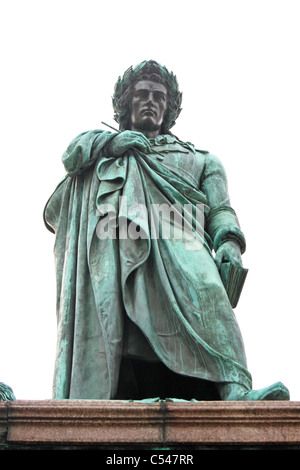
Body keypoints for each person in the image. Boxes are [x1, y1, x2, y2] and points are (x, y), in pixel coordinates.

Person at [44, 60, 289, 401]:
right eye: (141, 94)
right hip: (121, 240)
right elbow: (72, 159)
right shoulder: (108, 149)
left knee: (207, 289)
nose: (150, 102)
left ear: (169, 108)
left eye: (159, 97)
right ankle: (116, 385)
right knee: (113, 289)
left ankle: (235, 389)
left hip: (185, 240)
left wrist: (230, 243)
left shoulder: (202, 160)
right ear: (125, 105)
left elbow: (220, 210)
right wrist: (111, 146)